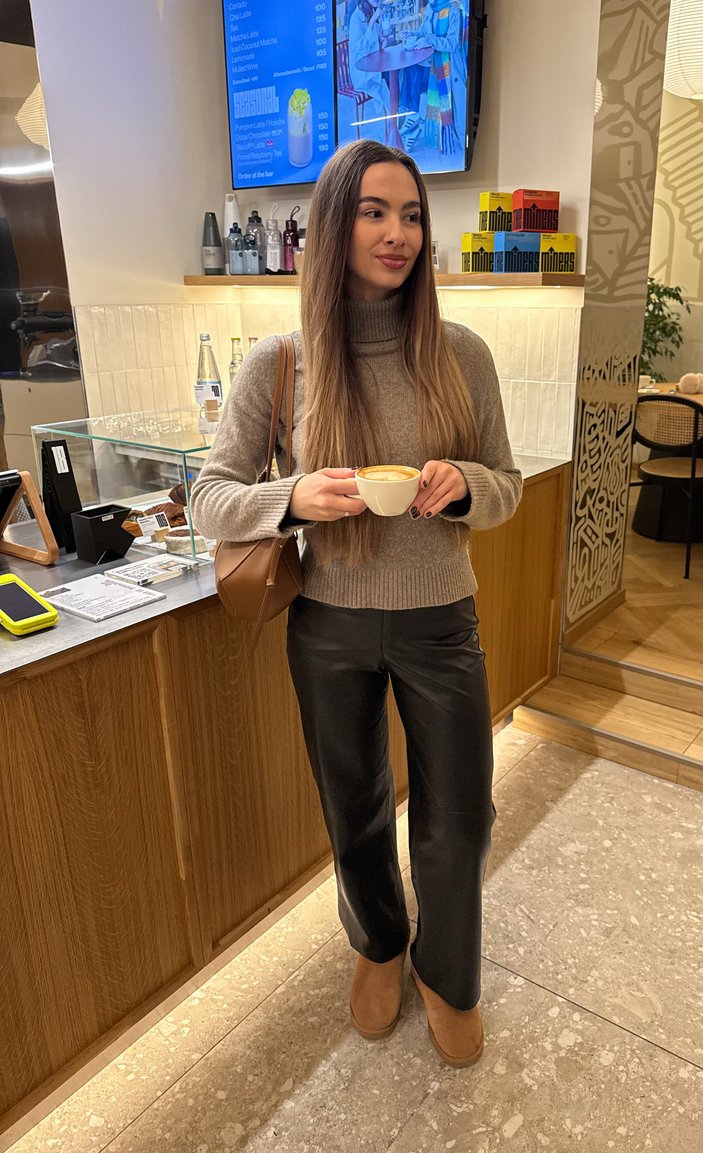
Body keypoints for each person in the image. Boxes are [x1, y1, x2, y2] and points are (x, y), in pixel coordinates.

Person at [190, 139, 521, 1068]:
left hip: (440, 617)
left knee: (461, 813)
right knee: (355, 806)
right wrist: (290, 497)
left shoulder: (462, 353)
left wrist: (464, 488)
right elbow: (211, 496)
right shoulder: (282, 362)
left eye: (411, 214)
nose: (399, 233)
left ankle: (446, 972)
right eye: (375, 212)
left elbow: (509, 484)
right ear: (332, 227)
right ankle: (379, 941)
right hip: (328, 624)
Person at [408, 0, 467, 156]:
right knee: (443, 108)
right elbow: (424, 31)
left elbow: (451, 44)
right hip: (436, 67)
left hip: (453, 68)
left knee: (460, 113)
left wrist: (429, 40)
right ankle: (449, 143)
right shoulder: (430, 8)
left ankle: (464, 151)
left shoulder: (453, 11)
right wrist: (411, 34)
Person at [347, 0, 391, 142]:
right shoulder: (356, 17)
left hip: (373, 65)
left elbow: (373, 42)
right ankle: (394, 126)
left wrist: (382, 40)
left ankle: (395, 125)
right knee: (390, 79)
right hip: (362, 72)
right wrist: (372, 21)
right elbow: (360, 48)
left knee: (397, 75)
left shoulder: (373, 11)